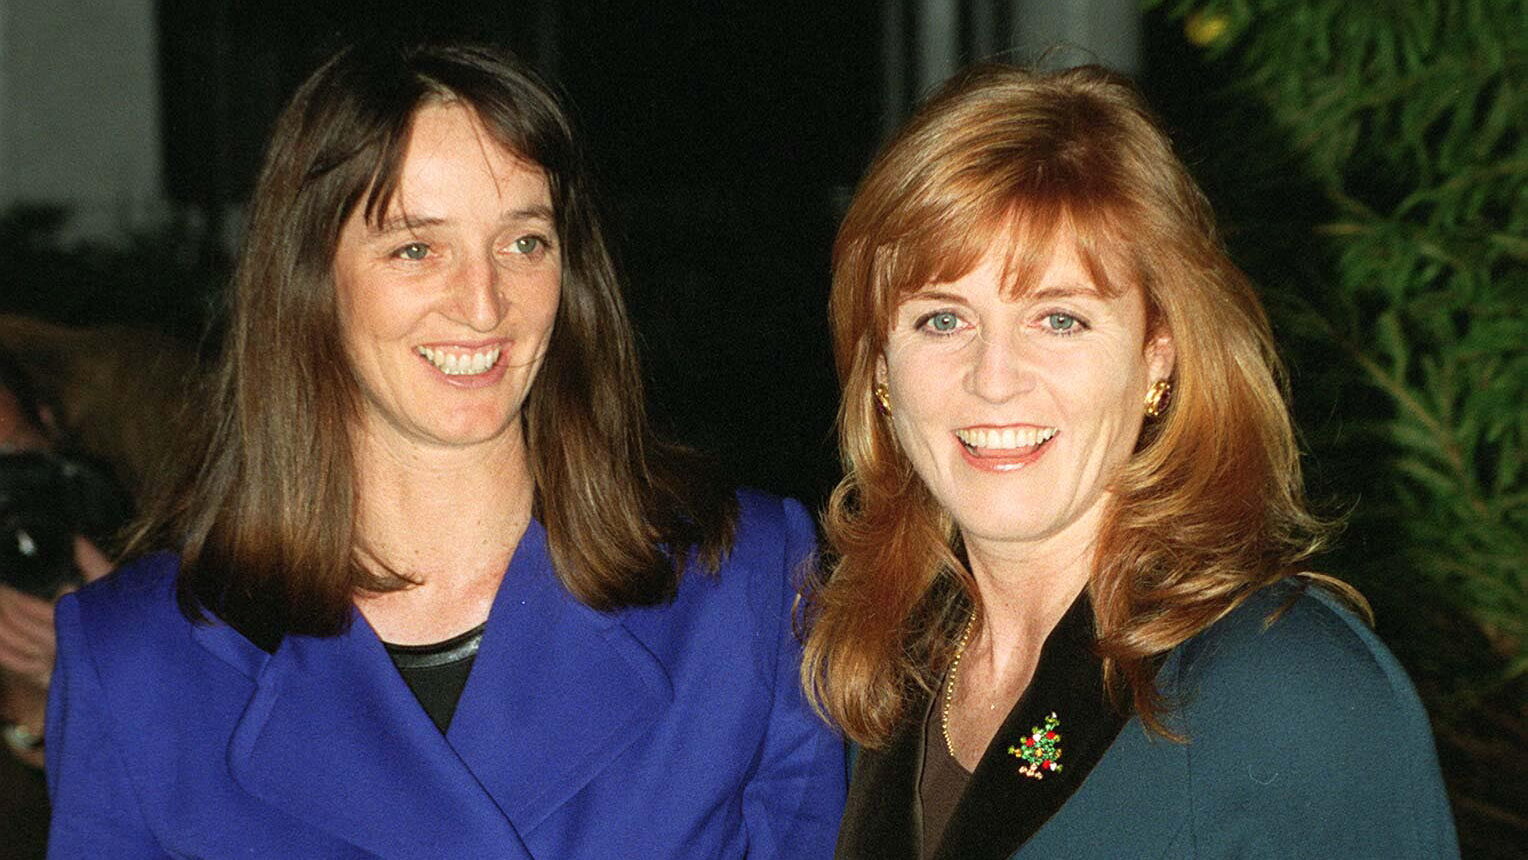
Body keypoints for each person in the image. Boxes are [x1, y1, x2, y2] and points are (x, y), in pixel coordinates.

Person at [46, 40, 843, 857]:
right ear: (310, 283)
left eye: (524, 241)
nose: (483, 303)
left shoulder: (743, 587)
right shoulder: (135, 663)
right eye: (416, 248)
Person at [801, 63, 1458, 859]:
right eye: (942, 320)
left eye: (1060, 320)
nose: (993, 379)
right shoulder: (881, 663)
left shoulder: (1289, 694)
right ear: (879, 368)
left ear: (1158, 356)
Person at [0, 347, 116, 857]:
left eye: (13, 470)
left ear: (48, 430)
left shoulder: (164, 563)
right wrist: (28, 705)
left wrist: (132, 649)